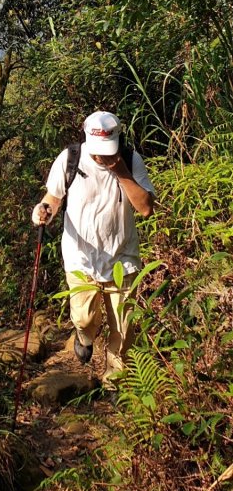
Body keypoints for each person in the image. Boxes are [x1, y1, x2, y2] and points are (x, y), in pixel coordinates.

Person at [32, 110, 155, 387]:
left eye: (108, 150)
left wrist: (120, 170)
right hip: (80, 256)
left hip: (122, 257)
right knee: (84, 318)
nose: (102, 157)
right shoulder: (70, 158)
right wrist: (42, 212)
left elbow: (146, 208)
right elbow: (53, 198)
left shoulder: (131, 159)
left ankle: (114, 381)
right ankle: (84, 336)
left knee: (123, 330)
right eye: (98, 151)